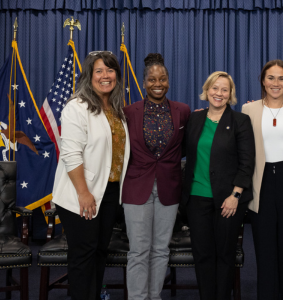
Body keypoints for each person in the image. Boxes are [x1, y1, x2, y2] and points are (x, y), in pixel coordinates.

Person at [52, 51, 130, 300]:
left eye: (110, 71)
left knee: (99, 252)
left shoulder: (117, 109)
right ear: (89, 75)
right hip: (81, 194)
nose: (105, 76)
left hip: (109, 192)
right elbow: (71, 154)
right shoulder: (77, 107)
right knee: (83, 254)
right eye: (99, 71)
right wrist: (83, 193)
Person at [121, 53, 191, 300]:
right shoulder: (128, 112)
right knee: (138, 251)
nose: (157, 83)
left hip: (169, 189)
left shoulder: (183, 111)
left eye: (162, 79)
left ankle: (155, 296)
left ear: (169, 81)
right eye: (152, 79)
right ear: (144, 83)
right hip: (136, 188)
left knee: (161, 250)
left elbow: (184, 147)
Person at [181, 71, 255, 300]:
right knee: (202, 256)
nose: (219, 93)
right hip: (196, 198)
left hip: (228, 200)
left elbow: (247, 162)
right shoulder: (194, 119)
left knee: (224, 255)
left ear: (230, 94)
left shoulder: (240, 121)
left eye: (225, 89)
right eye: (215, 88)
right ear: (206, 90)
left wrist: (235, 194)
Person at [242, 60, 283, 300]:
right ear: (262, 80)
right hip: (262, 184)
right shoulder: (249, 110)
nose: (276, 83)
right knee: (265, 251)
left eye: (281, 78)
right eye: (271, 78)